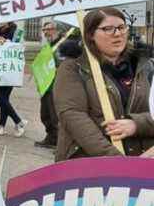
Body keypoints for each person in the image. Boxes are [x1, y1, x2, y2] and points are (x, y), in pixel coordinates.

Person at [55, 8, 154, 161]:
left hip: (143, 162)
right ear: (90, 35)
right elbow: (73, 117)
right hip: (91, 167)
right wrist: (117, 161)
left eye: (121, 27)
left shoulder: (145, 66)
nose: (118, 33)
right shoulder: (73, 68)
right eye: (108, 29)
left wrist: (137, 124)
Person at [0, 22, 27, 137]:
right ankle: (19, 122)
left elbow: (19, 47)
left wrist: (5, 42)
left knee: (3, 97)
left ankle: (1, 126)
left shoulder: (16, 32)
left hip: (9, 70)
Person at [35, 21, 60, 148]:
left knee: (56, 116)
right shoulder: (48, 46)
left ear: (56, 30)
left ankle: (60, 143)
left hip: (57, 86)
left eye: (48, 29)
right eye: (43, 30)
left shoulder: (62, 44)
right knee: (45, 114)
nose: (45, 32)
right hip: (46, 85)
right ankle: (50, 138)